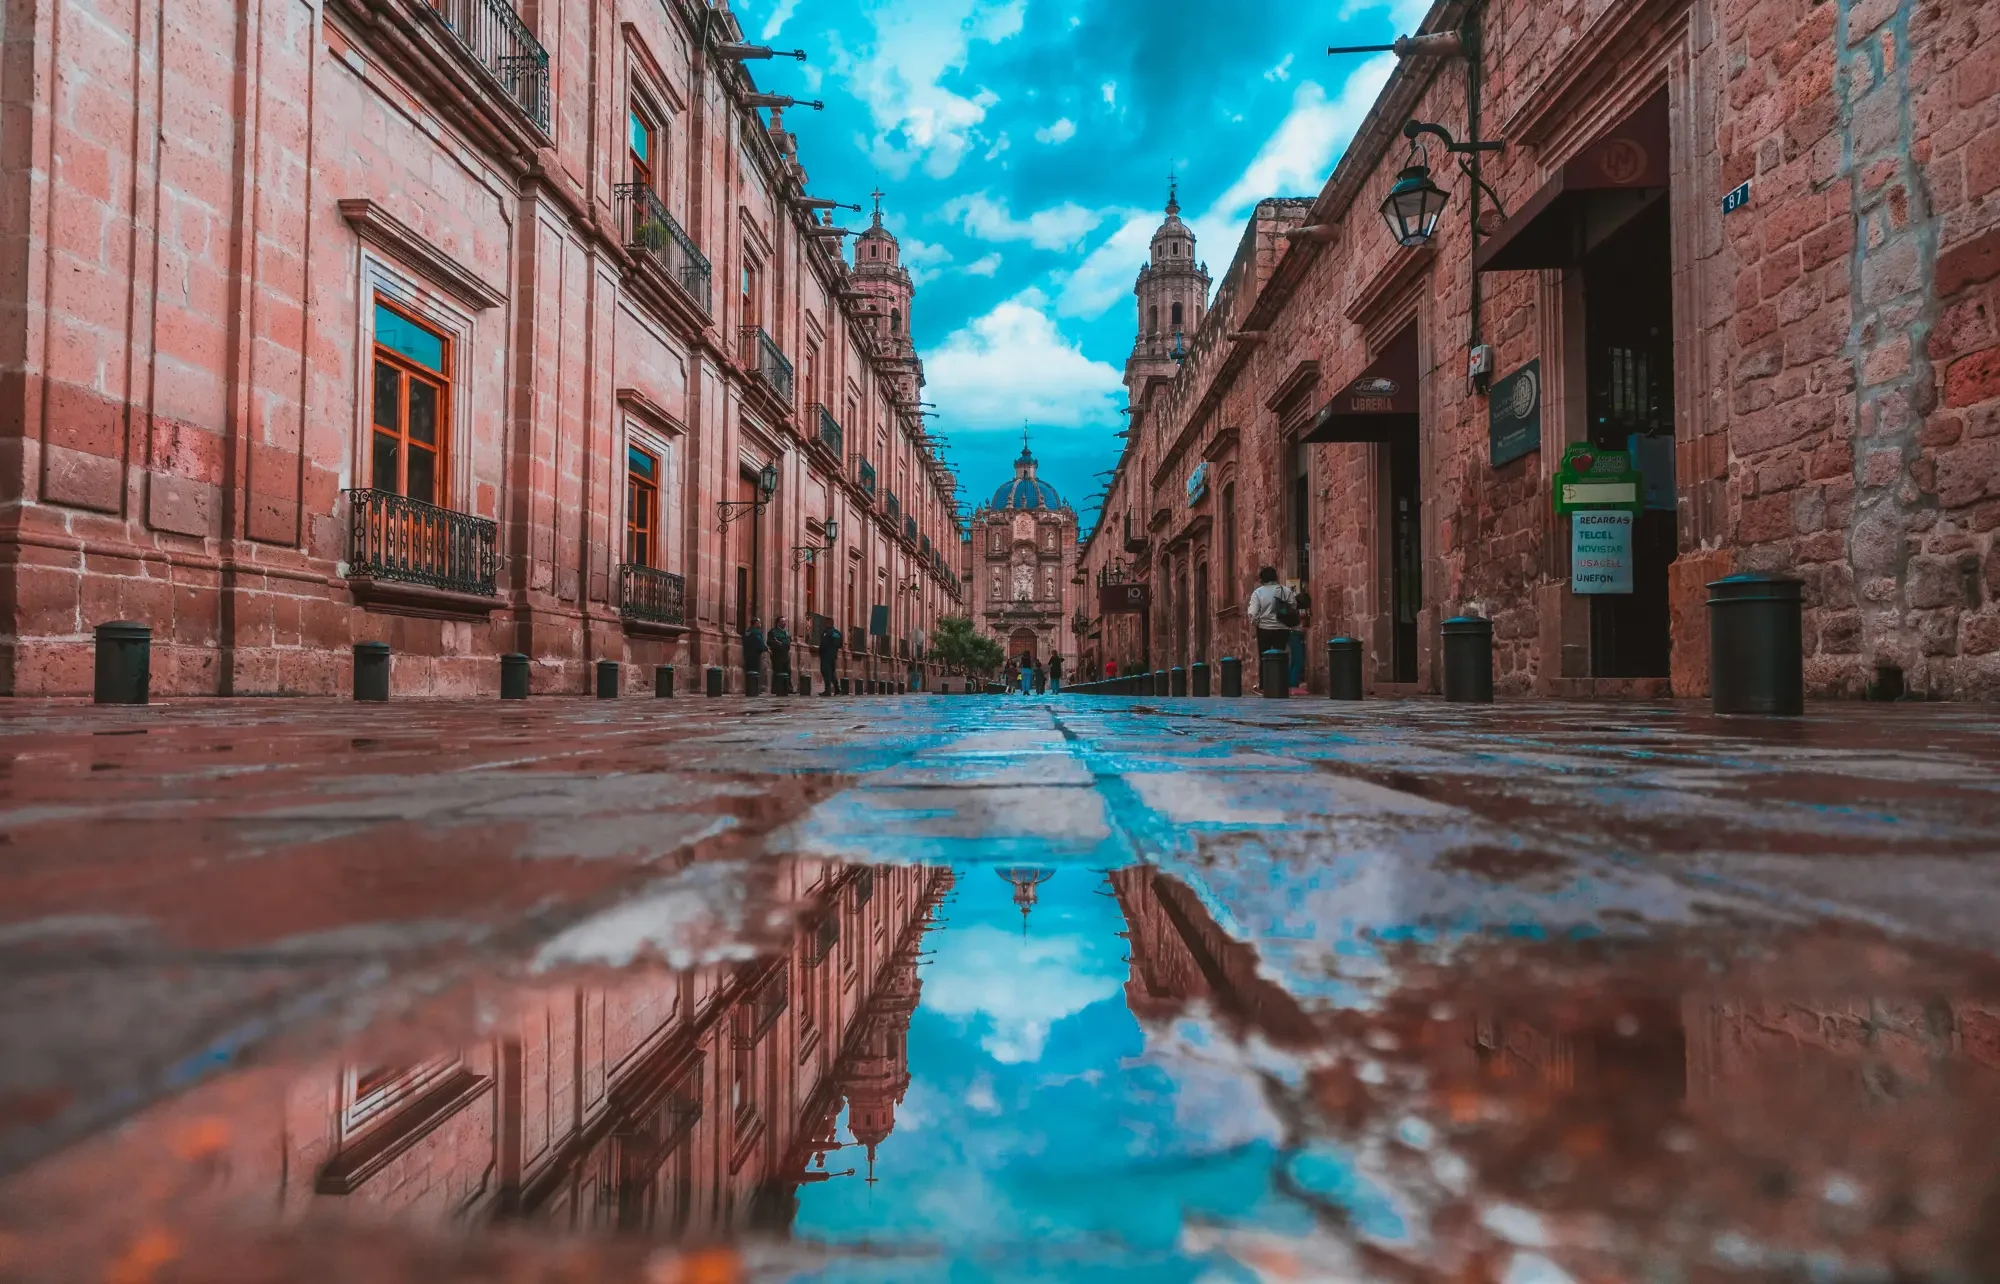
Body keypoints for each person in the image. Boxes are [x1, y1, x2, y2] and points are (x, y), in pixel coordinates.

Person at [1246, 567, 1298, 694]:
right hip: (1282, 628)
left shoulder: (1258, 593)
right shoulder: (1285, 591)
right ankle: (1281, 684)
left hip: (1264, 629)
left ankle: (1264, 686)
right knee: (1281, 656)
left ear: (1262, 578)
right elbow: (1293, 606)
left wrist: (1258, 622)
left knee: (1264, 657)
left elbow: (1253, 613)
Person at [1288, 587, 1311, 692]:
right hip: (1294, 636)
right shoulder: (1293, 610)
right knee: (1298, 661)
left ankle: (1291, 683)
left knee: (1294, 661)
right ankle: (1293, 685)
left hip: (1293, 635)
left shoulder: (1292, 609)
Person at [816, 620, 842, 695]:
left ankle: (827, 690)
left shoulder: (827, 632)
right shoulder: (837, 633)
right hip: (833, 656)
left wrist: (821, 652)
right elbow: (840, 644)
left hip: (826, 656)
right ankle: (837, 688)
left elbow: (824, 644)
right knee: (832, 673)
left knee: (826, 672)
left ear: (827, 623)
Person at [769, 616, 793, 691]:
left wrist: (781, 643)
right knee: (778, 670)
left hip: (786, 654)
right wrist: (780, 644)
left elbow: (789, 641)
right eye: (782, 621)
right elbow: (771, 642)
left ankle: (788, 688)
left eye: (785, 621)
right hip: (777, 655)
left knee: (788, 670)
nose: (784, 623)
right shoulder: (773, 631)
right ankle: (776, 688)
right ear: (778, 623)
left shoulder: (786, 632)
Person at [742, 620, 767, 692]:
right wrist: (766, 649)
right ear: (756, 623)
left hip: (747, 654)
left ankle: (749, 688)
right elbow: (760, 643)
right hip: (755, 654)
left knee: (749, 670)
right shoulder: (756, 632)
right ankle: (755, 688)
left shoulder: (747, 632)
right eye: (759, 623)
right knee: (755, 671)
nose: (760, 624)